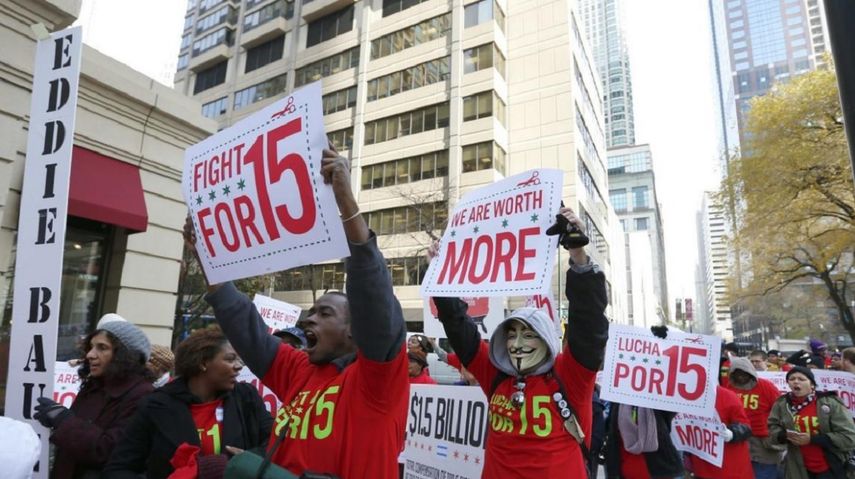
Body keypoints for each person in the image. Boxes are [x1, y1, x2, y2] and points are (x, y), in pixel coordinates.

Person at [183, 145, 408, 478]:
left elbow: (373, 298)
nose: (308, 319)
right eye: (311, 311)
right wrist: (207, 257)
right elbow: (244, 325)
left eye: (325, 313)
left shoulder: (377, 379)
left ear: (353, 329)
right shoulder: (298, 370)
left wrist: (344, 202)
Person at [429, 206, 609, 478]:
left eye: (529, 335)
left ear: (547, 340)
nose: (517, 343)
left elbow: (589, 322)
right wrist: (440, 276)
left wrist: (578, 254)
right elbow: (458, 326)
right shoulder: (495, 373)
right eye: (511, 334)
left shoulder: (571, 374)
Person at [104, 326, 272, 478]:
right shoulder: (155, 405)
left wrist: (248, 461)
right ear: (203, 362)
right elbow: (118, 469)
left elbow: (278, 441)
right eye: (230, 359)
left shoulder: (246, 397)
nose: (238, 366)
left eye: (239, 360)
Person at [33, 317, 154, 479]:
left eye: (102, 348)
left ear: (125, 355)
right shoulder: (94, 386)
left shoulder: (143, 395)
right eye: (91, 347)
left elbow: (109, 450)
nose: (90, 355)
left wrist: (63, 420)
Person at [602, 325, 683, 479]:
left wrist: (663, 341)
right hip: (622, 472)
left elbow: (674, 384)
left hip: (659, 472)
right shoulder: (617, 396)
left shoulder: (657, 398)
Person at [768, 366, 855, 479]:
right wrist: (783, 435)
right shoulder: (782, 403)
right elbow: (772, 427)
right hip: (797, 466)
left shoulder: (829, 402)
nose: (796, 381)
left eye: (801, 379)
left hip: (829, 466)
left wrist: (812, 439)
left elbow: (849, 436)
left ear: (812, 384)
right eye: (792, 379)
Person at [726, 357, 785, 479]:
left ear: (750, 372)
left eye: (744, 373)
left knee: (763, 474)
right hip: (739, 439)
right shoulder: (729, 388)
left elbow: (781, 410)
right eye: (737, 374)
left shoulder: (766, 386)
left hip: (762, 442)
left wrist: (774, 432)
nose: (741, 377)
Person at [684, 385, 753, 479]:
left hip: (729, 467)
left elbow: (746, 427)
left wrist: (732, 433)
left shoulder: (727, 397)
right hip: (702, 466)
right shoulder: (684, 397)